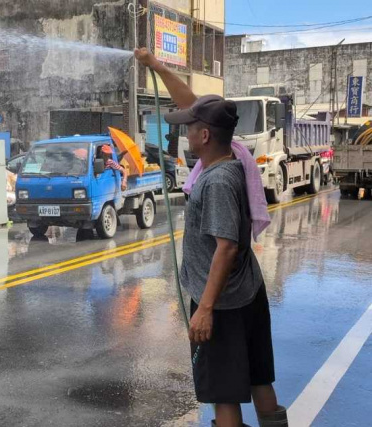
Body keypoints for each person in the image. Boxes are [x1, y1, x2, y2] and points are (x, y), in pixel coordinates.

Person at [135, 47, 287, 427]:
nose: (184, 133)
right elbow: (192, 104)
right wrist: (155, 65)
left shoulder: (216, 180)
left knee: (223, 395)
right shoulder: (232, 156)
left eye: (189, 128)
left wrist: (204, 308)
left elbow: (227, 247)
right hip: (246, 293)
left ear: (204, 135)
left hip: (221, 304)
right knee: (257, 379)